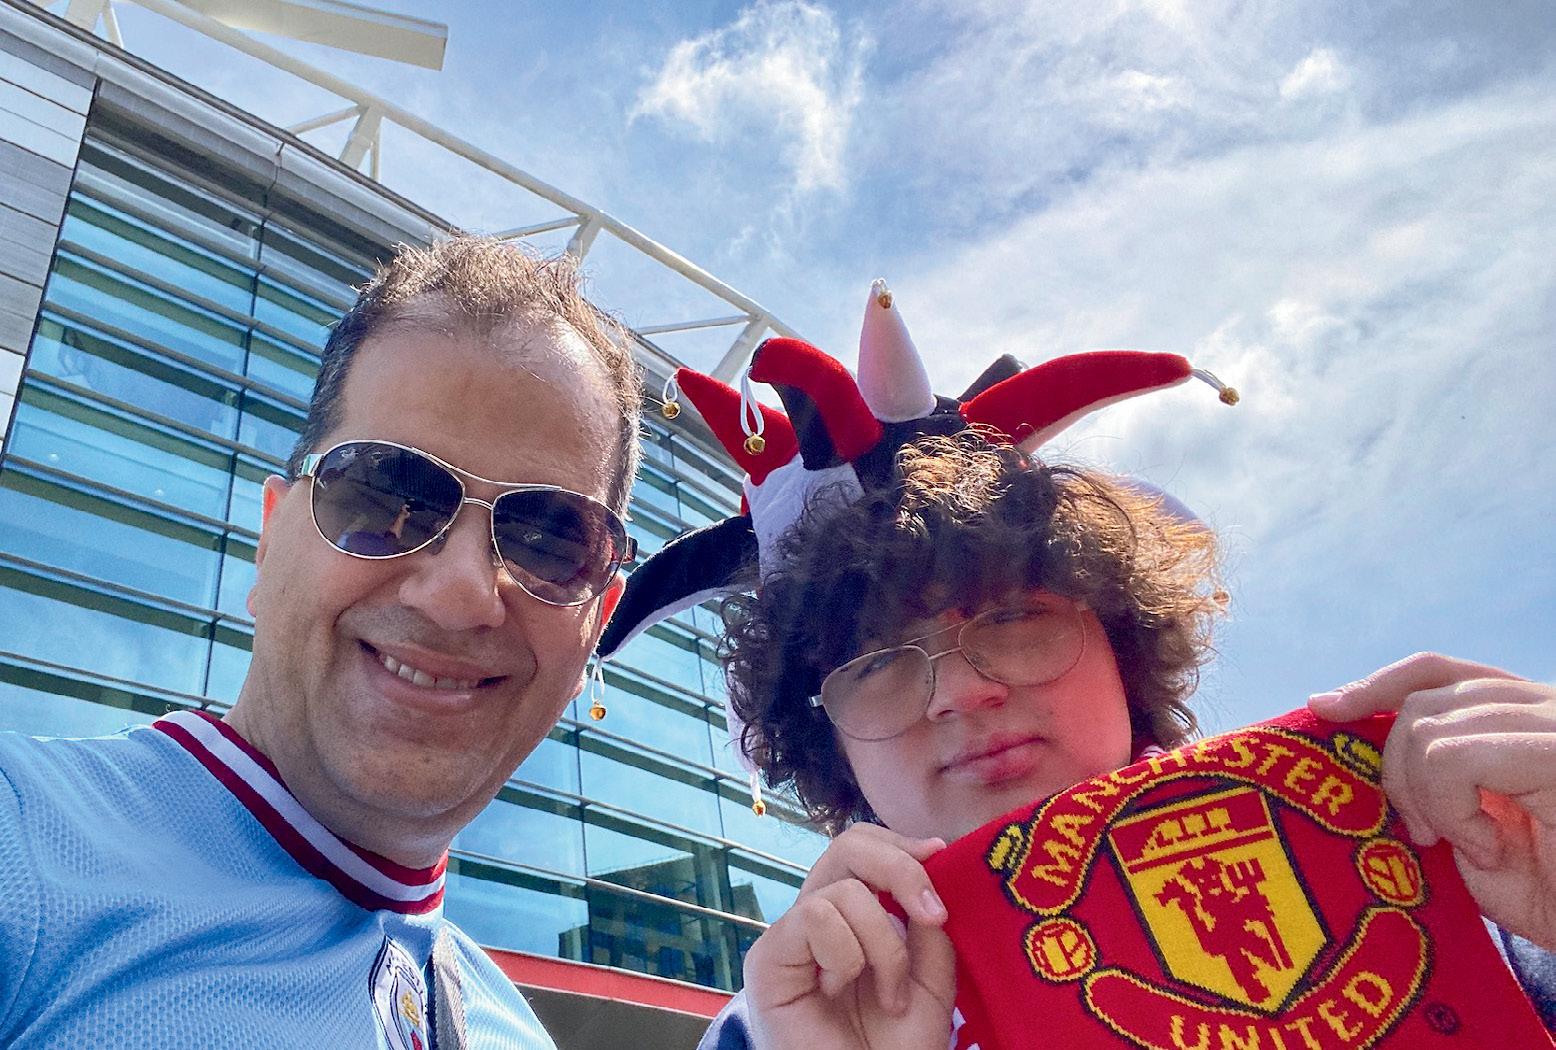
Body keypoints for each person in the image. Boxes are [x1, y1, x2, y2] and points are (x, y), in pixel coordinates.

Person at [592, 283, 1556, 1048]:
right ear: (828, 741)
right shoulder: (785, 1025)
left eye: (1015, 617)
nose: (961, 690)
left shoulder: (1462, 877)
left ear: (1122, 647)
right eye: (877, 663)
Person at [0, 237, 641, 1049]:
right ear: (271, 538)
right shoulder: (20, 839)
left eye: (550, 541)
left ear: (596, 623)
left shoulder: (516, 1032)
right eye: (384, 490)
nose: (460, 595)